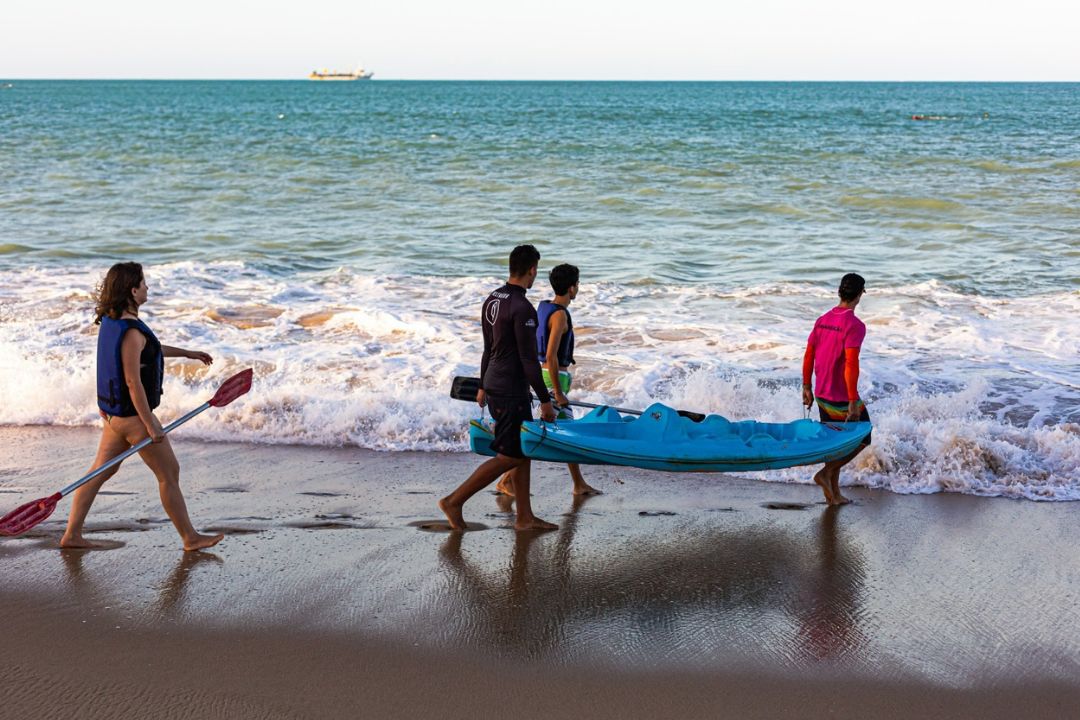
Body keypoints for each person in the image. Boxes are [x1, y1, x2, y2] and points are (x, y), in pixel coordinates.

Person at [60, 262, 224, 551]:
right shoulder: (132, 331)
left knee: (99, 471)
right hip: (135, 418)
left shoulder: (112, 322)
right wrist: (150, 425)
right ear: (132, 290)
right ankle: (190, 538)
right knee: (168, 473)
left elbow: (145, 351)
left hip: (114, 416)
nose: (147, 288)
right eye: (143, 284)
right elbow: (133, 382)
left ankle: (72, 535)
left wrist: (186, 353)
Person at [439, 245, 558, 531]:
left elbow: (488, 347)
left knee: (522, 449)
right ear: (532, 269)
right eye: (536, 271)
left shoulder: (493, 299)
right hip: (510, 389)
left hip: (495, 383)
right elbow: (529, 361)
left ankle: (525, 517)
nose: (535, 276)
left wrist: (483, 384)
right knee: (511, 455)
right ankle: (454, 501)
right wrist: (545, 401)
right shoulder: (523, 308)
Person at [496, 263, 599, 497]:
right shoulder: (560, 315)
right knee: (565, 431)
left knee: (560, 428)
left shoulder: (544, 307)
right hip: (553, 380)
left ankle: (578, 483)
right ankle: (506, 480)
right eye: (578, 285)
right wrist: (558, 393)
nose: (578, 289)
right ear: (572, 288)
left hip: (546, 376)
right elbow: (551, 355)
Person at [801, 273, 871, 505]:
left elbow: (809, 353)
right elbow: (851, 364)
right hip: (841, 396)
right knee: (864, 438)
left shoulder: (822, 319)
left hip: (821, 393)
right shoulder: (855, 325)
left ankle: (834, 493)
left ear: (839, 292)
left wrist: (806, 386)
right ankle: (825, 473)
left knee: (835, 442)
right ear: (860, 294)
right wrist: (852, 400)